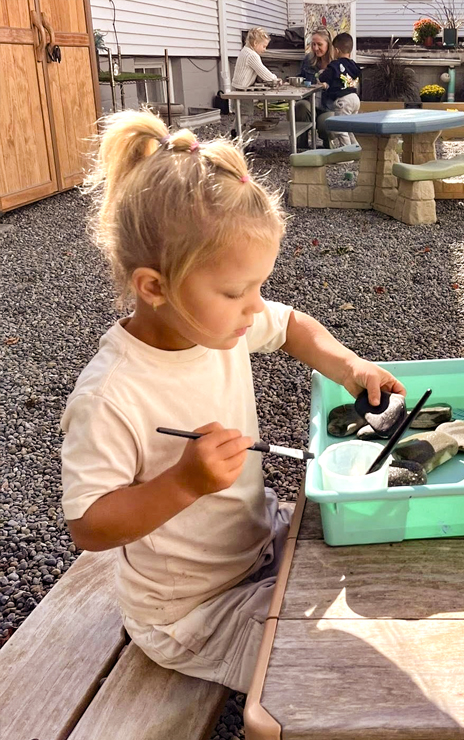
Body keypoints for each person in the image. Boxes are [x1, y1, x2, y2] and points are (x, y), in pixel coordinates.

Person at [61, 109, 406, 697]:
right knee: (338, 678)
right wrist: (183, 484)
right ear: (154, 286)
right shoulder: (113, 393)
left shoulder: (219, 322)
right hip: (190, 610)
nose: (255, 307)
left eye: (259, 286)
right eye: (235, 291)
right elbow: (88, 524)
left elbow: (294, 324)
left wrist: (348, 366)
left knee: (392, 580)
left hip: (258, 543)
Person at [318, 32, 361, 149]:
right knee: (350, 127)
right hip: (355, 99)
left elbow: (323, 78)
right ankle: (356, 148)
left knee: (340, 128)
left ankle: (346, 154)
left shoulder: (334, 65)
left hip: (344, 101)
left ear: (336, 50)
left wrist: (321, 75)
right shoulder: (354, 65)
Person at [295, 27, 334, 149]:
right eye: (313, 44)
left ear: (329, 44)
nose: (316, 48)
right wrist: (295, 82)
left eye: (319, 44)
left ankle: (329, 147)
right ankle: (301, 146)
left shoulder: (337, 63)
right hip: (310, 103)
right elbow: (301, 77)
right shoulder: (308, 59)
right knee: (300, 106)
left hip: (329, 106)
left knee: (326, 121)